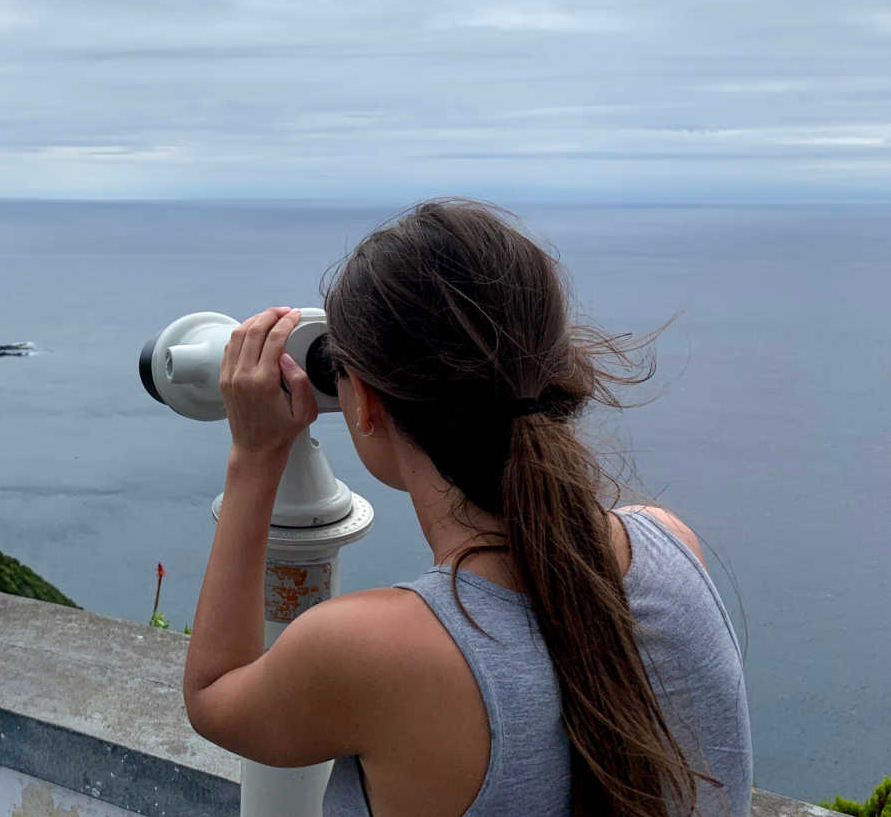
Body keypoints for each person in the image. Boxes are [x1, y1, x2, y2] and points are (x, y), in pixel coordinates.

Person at [183, 199, 752, 817]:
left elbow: (214, 697)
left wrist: (255, 455)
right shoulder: (671, 545)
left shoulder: (375, 653)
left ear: (366, 402)